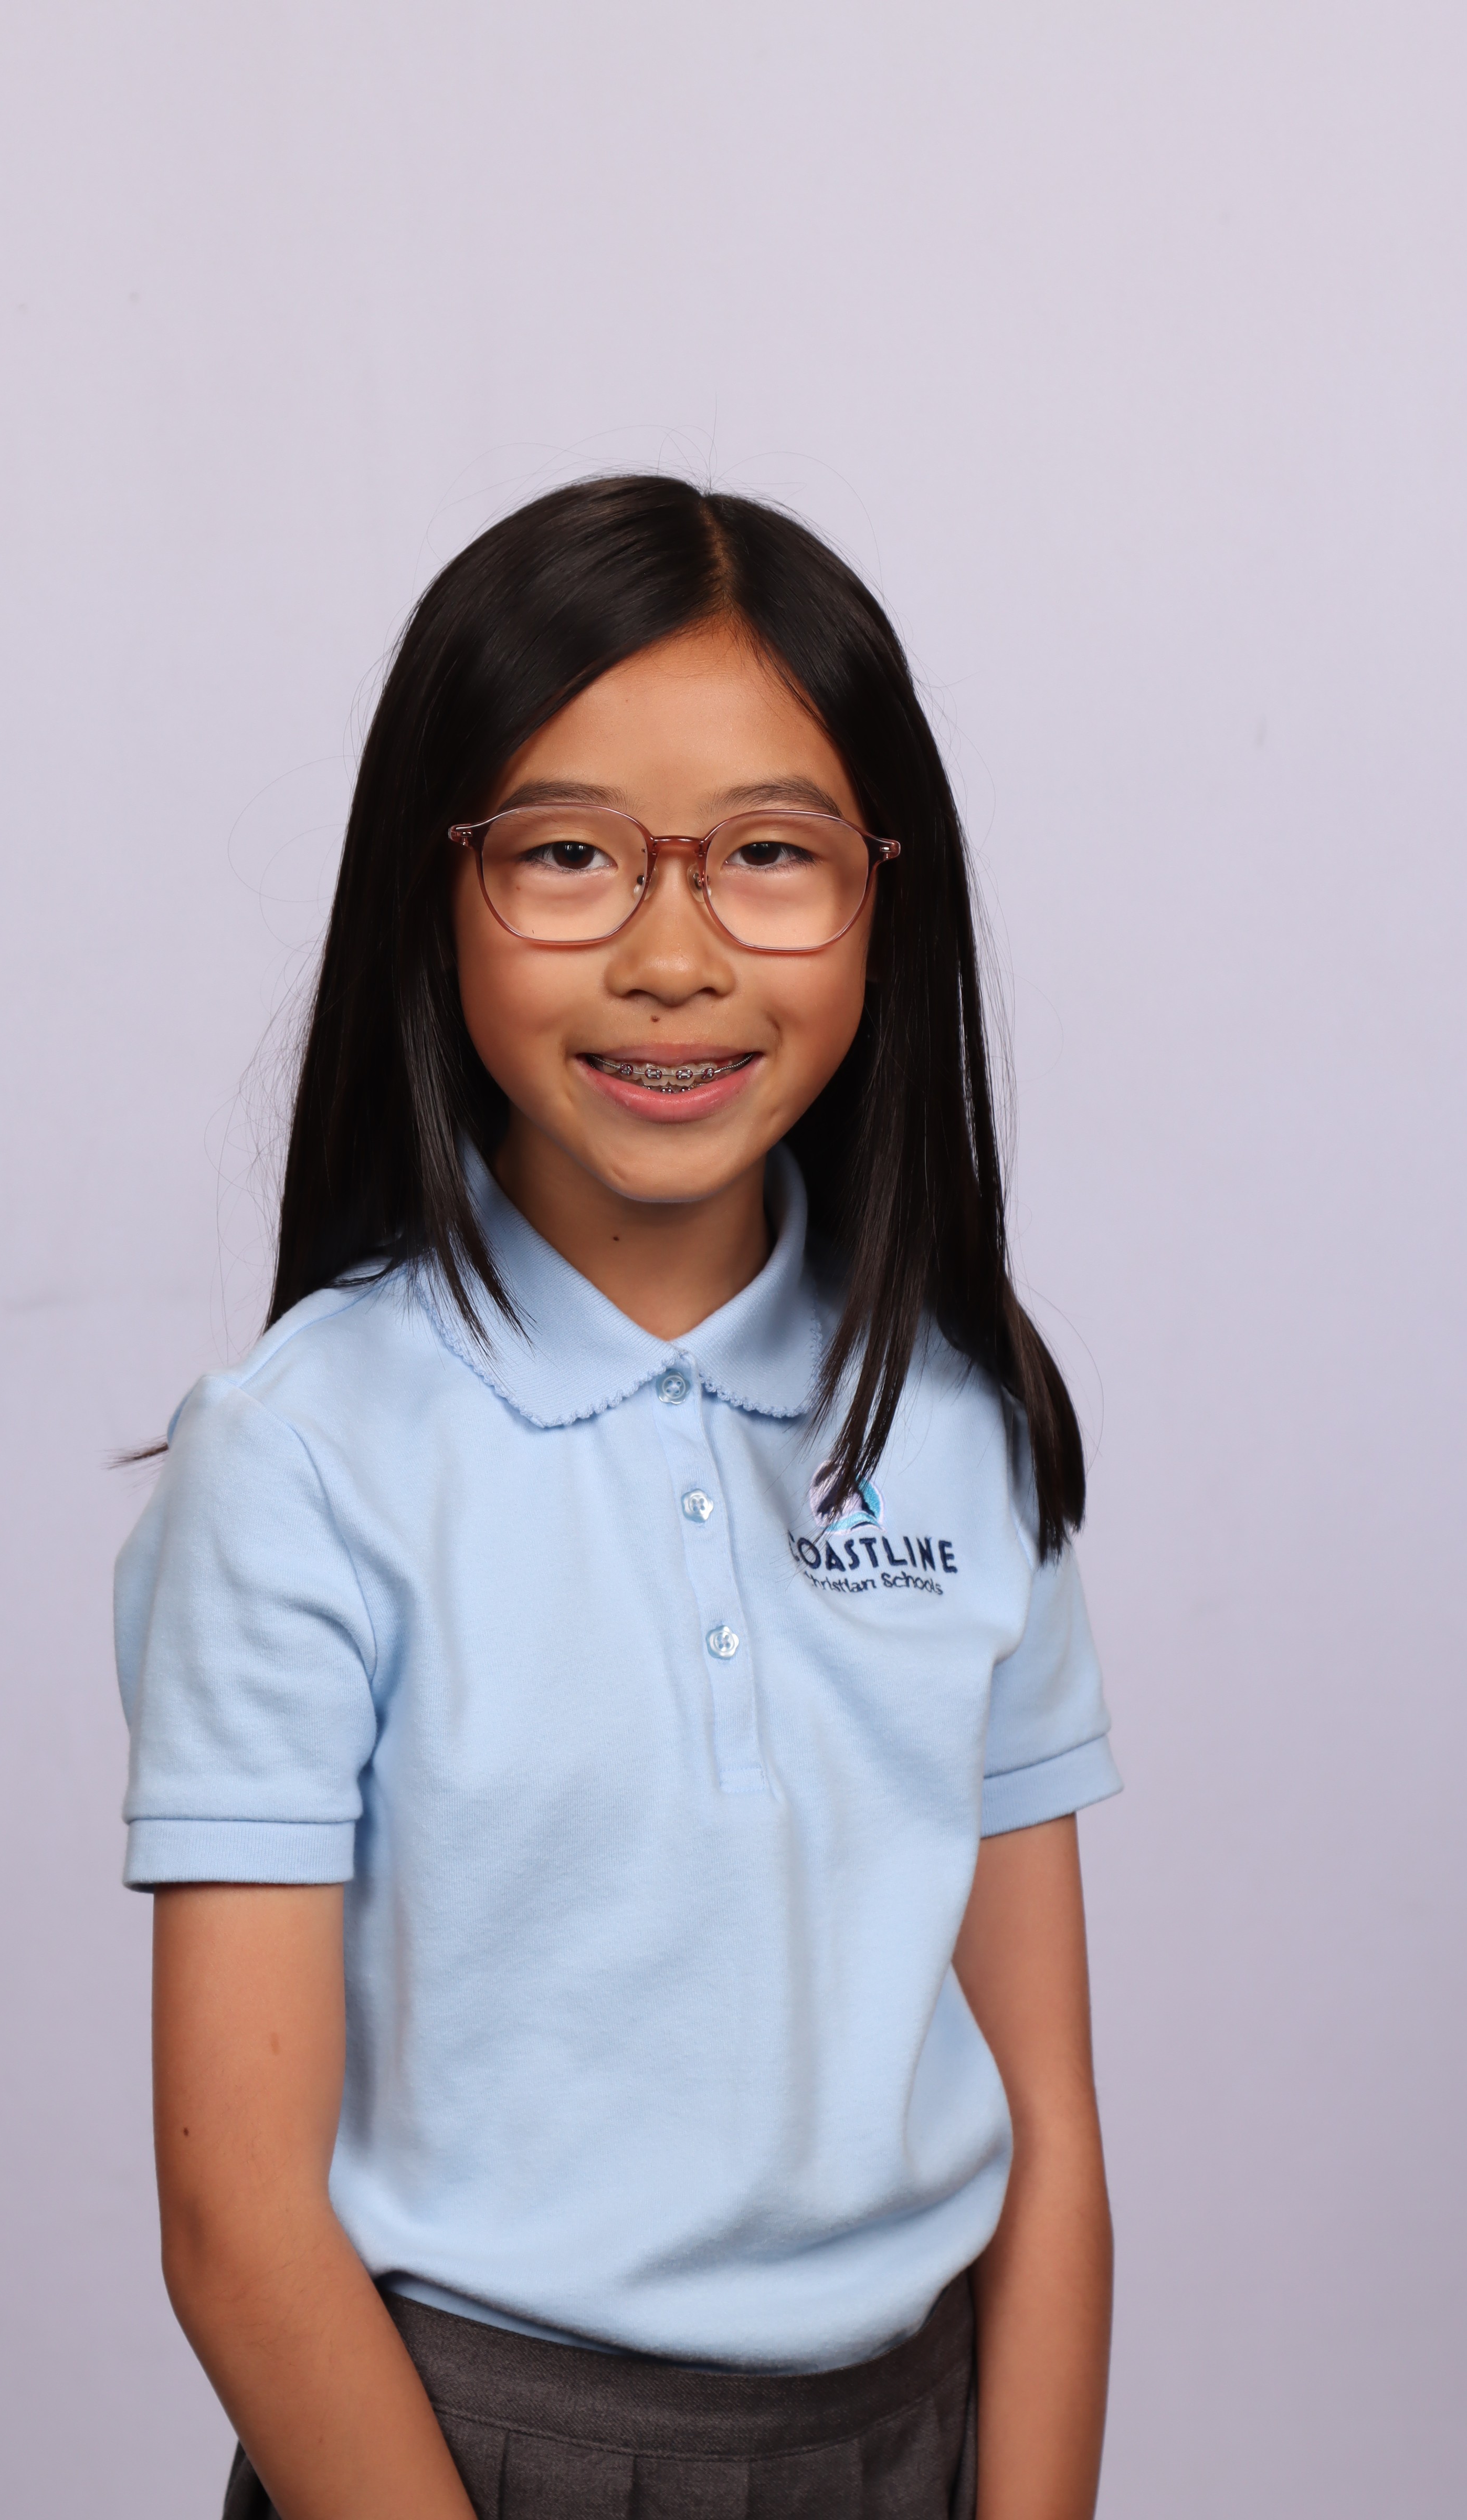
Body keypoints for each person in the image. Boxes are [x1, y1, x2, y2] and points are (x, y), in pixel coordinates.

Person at [116, 475, 1120, 2520]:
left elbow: (1052, 2133)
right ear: (435, 888)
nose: (672, 955)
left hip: (911, 2441)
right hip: (453, 2456)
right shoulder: (301, 1458)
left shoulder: (959, 1417)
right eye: (566, 854)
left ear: (883, 898)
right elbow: (238, 2231)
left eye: (769, 855)